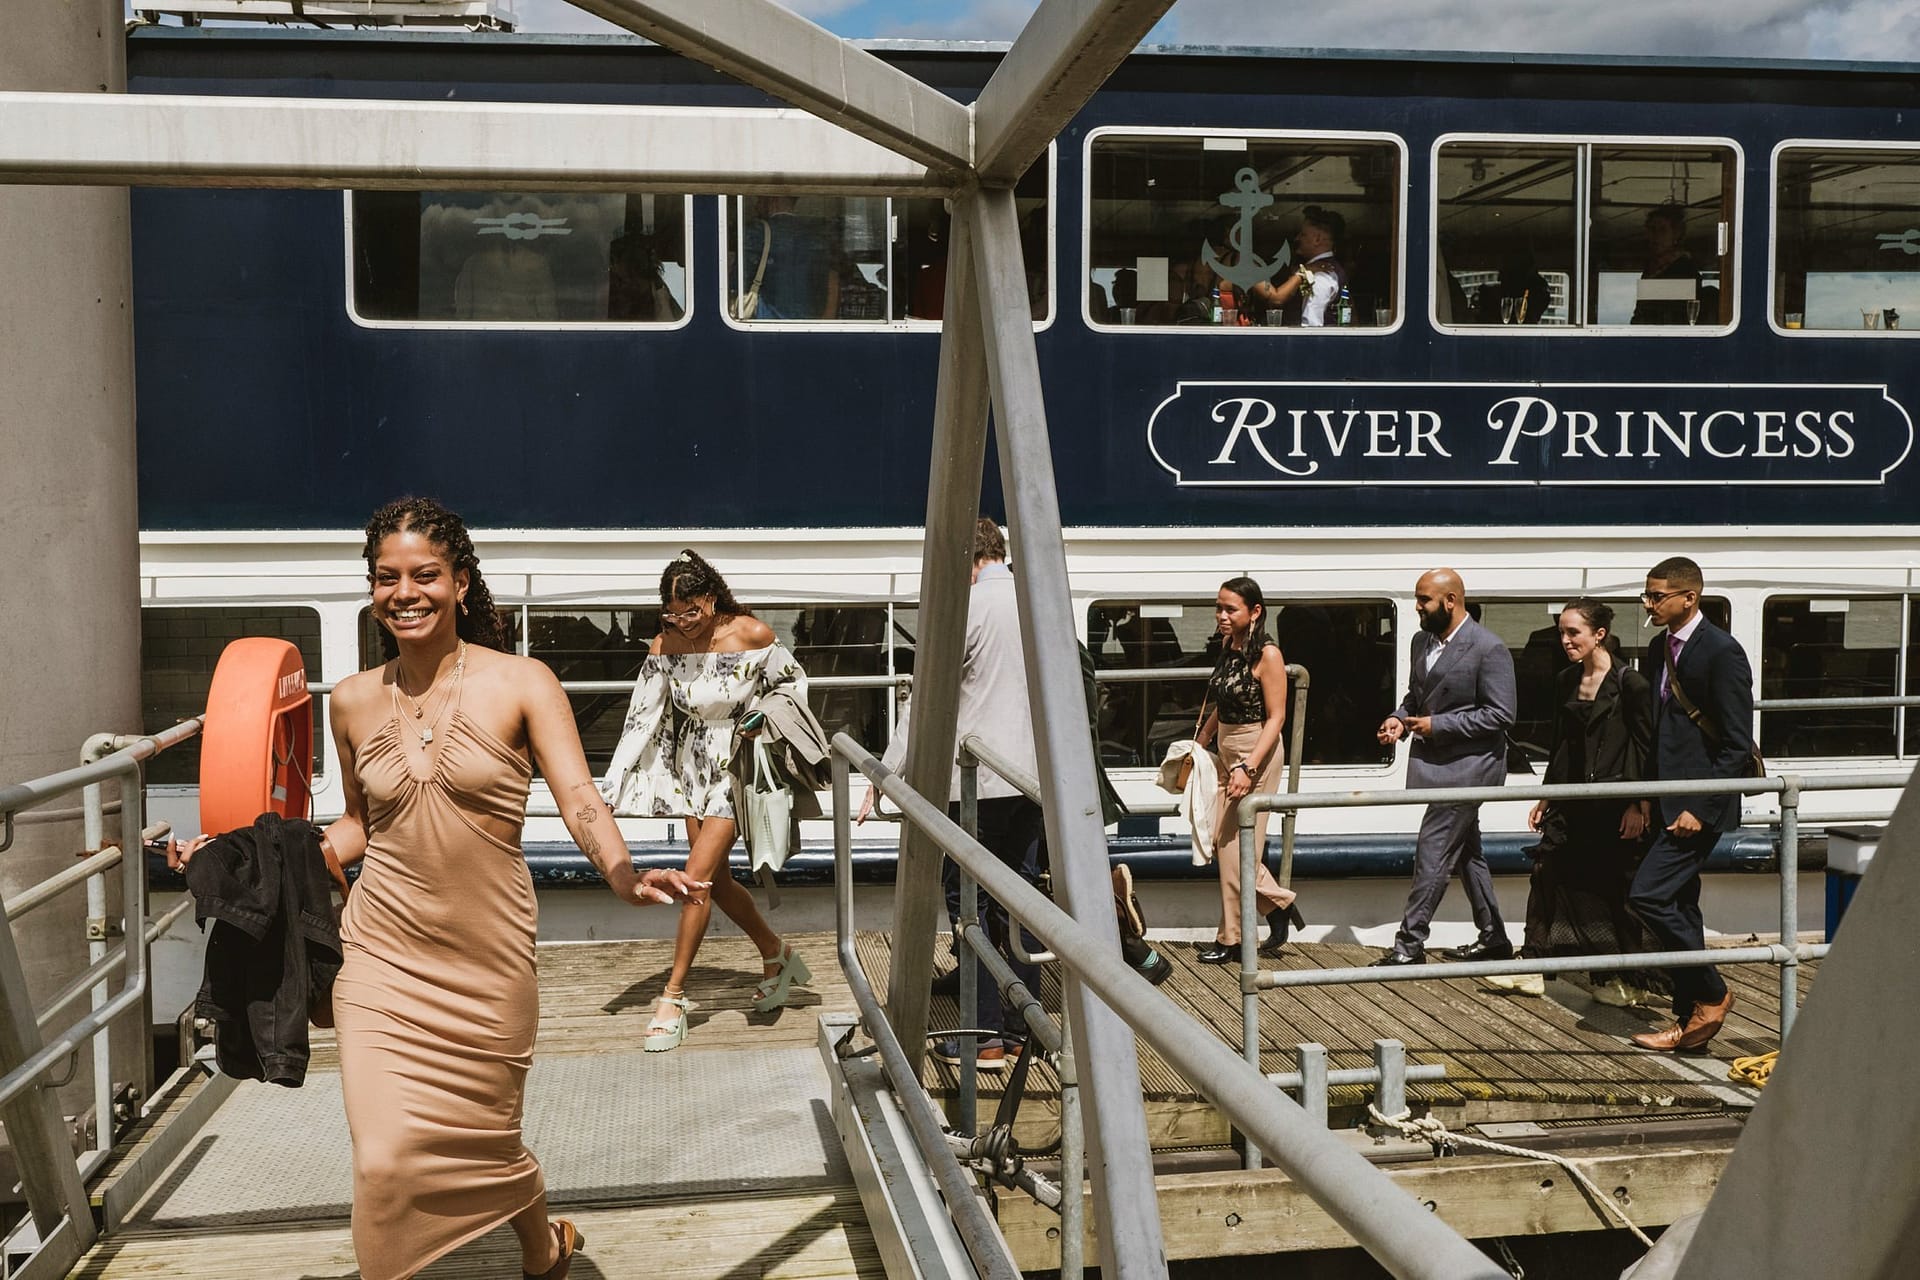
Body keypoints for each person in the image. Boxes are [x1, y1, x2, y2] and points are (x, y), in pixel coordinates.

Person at [171, 497, 706, 1280]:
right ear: (372, 588)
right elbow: (357, 826)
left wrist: (622, 875)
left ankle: (542, 1246)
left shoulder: (524, 682)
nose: (405, 592)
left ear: (459, 582)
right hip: (382, 959)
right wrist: (243, 857)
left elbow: (581, 801)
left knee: (485, 1143)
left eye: (424, 575)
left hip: (487, 961)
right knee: (385, 1163)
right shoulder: (352, 700)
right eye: (387, 578)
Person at [601, 551, 814, 1053]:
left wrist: (762, 712)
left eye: (690, 612)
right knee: (717, 881)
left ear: (711, 600)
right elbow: (640, 719)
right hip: (690, 768)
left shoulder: (752, 633)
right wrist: (608, 788)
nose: (681, 623)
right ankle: (776, 952)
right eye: (671, 614)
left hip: (736, 763)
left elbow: (792, 685)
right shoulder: (664, 645)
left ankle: (673, 998)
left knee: (694, 880)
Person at [857, 517, 1042, 1070]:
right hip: (1032, 782)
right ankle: (1021, 1028)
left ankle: (982, 1035)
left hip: (976, 786)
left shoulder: (966, 610)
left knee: (972, 904)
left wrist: (883, 774)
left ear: (965, 560)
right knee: (1022, 901)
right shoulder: (1039, 605)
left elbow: (925, 702)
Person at [1492, 599, 1665, 1004]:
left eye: (1574, 633)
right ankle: (1533, 964)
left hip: (1613, 799)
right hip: (1573, 799)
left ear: (1598, 635)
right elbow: (1563, 746)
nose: (1566, 640)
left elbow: (1644, 747)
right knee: (1546, 871)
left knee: (1614, 889)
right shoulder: (1567, 680)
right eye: (1562, 632)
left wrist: (1639, 804)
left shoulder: (1630, 684)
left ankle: (1626, 978)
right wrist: (1546, 796)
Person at [1628, 557, 1752, 1052]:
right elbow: (1660, 731)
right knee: (1681, 903)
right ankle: (1690, 1024)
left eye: (1656, 596)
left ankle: (1714, 994)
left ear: (1689, 598)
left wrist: (1699, 806)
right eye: (1647, 594)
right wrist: (1643, 795)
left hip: (1698, 807)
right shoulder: (1661, 648)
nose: (1648, 604)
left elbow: (1737, 744)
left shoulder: (1722, 653)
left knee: (1647, 896)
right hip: (1665, 800)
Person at [1372, 569, 1517, 966]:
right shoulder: (1422, 641)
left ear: (1450, 601)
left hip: (1470, 767)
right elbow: (1415, 696)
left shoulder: (1489, 648)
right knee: (1467, 853)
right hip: (1439, 764)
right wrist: (1400, 720)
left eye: (1424, 600)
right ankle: (1494, 938)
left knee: (1433, 851)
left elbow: (1501, 715)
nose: (1417, 608)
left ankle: (1409, 944)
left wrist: (1438, 726)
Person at [1193, 577, 1304, 963]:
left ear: (1255, 612)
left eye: (1230, 609)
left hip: (1256, 750)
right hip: (1226, 747)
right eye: (1219, 608)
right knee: (1225, 847)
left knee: (1238, 847)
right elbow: (1221, 702)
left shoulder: (1268, 655)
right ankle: (1276, 905)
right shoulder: (1229, 646)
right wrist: (1202, 739)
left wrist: (1248, 767)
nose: (1222, 616)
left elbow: (1276, 719)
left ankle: (1233, 938)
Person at [739, 196, 840, 320]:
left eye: (760, 200)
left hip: (766, 321)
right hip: (809, 323)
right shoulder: (816, 236)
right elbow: (832, 277)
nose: (756, 206)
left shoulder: (757, 232)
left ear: (772, 201)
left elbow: (738, 281)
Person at [1248, 205, 1346, 326]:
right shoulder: (1322, 269)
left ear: (1317, 239)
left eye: (1303, 234)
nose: (1297, 238)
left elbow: (1311, 325)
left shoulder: (1321, 276)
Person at [1630, 204, 1702, 326]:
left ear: (1676, 234)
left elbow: (1674, 312)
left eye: (1662, 230)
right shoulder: (1651, 269)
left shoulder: (1685, 269)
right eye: (1652, 229)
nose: (1656, 236)